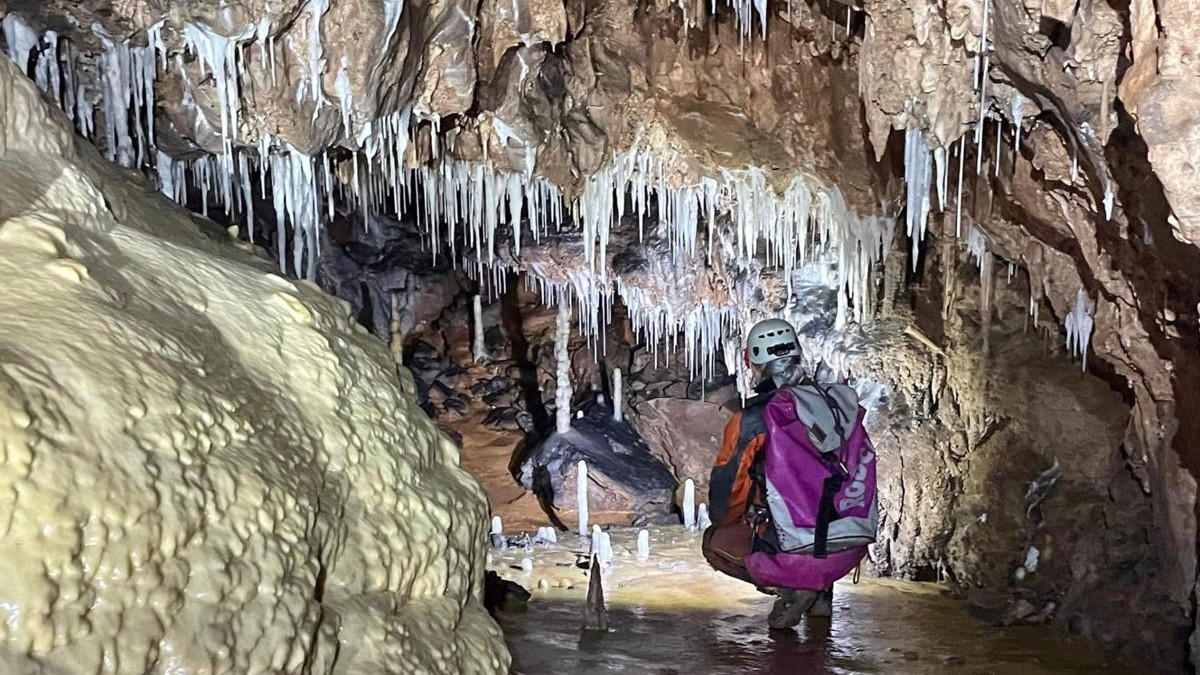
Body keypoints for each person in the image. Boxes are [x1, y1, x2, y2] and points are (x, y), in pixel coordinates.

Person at [702, 318, 876, 630]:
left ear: (752, 363)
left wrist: (731, 520)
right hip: (851, 545)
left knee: (715, 542)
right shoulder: (836, 405)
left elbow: (728, 492)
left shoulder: (755, 418)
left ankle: (794, 588)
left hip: (796, 551)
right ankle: (822, 594)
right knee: (822, 503)